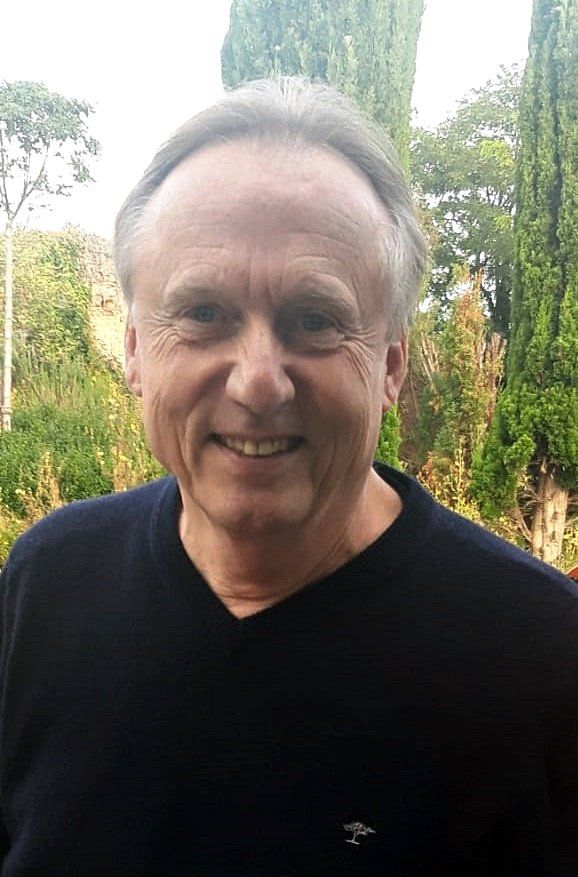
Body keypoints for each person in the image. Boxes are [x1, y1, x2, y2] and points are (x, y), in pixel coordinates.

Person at [1, 77, 577, 877]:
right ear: (134, 350)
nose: (258, 382)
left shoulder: (542, 658)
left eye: (314, 320)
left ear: (390, 365)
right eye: (204, 314)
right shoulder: (46, 587)